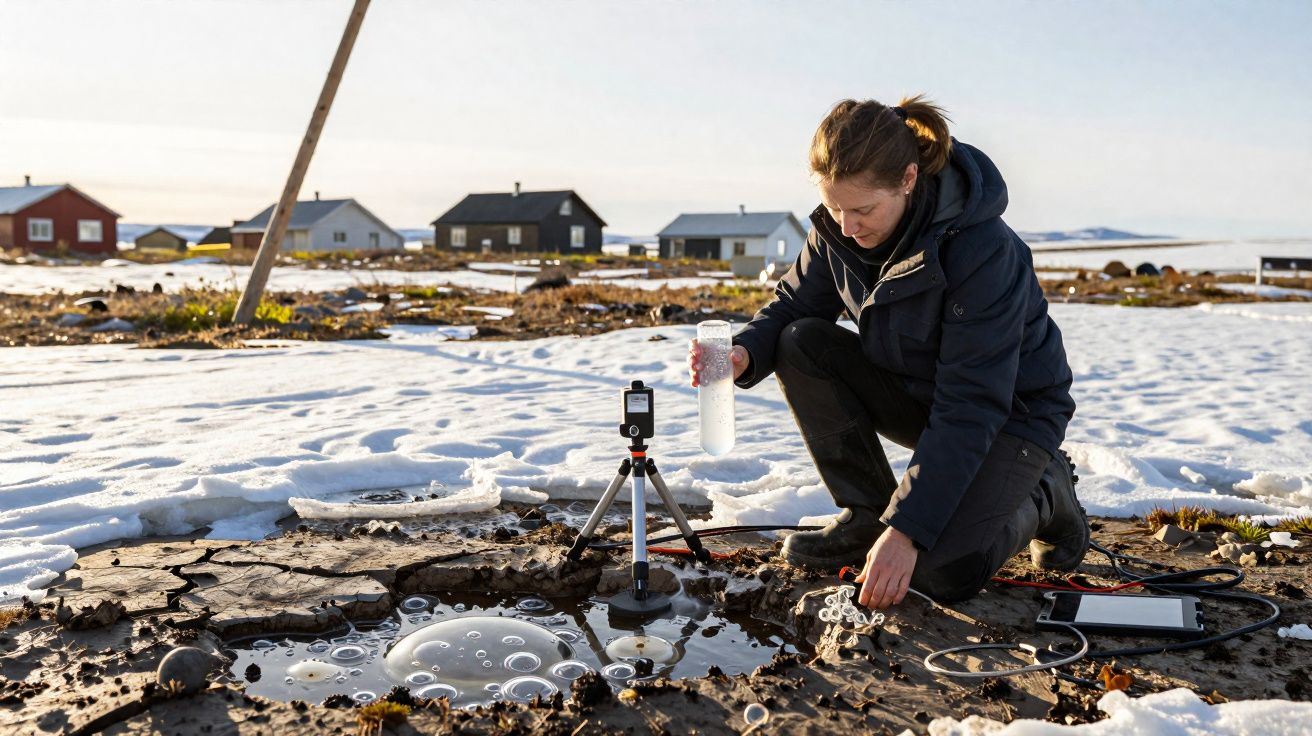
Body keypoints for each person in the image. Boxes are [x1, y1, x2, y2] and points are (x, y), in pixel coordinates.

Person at [688, 95, 1086, 611]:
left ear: (908, 178)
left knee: (941, 573)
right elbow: (794, 305)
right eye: (834, 208)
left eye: (863, 209)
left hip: (1011, 416)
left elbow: (971, 404)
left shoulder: (982, 250)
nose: (847, 226)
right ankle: (865, 514)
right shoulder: (839, 230)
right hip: (921, 393)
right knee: (800, 341)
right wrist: (743, 352)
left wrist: (908, 533)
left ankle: (1047, 490)